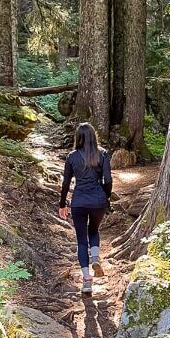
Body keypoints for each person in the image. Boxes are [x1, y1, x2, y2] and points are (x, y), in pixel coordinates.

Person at [59, 122, 112, 294]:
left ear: (78, 138)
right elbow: (108, 180)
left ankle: (87, 280)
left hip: (79, 202)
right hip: (98, 200)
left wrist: (62, 204)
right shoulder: (102, 154)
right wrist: (106, 196)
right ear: (93, 136)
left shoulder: (72, 157)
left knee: (81, 240)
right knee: (94, 231)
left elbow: (66, 183)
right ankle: (95, 257)